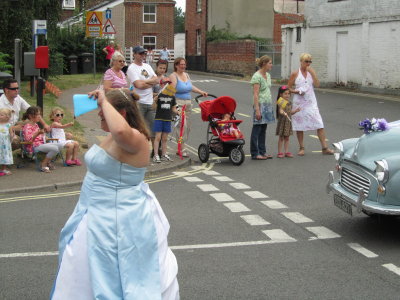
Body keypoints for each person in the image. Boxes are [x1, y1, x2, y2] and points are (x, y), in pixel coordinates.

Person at [50, 88, 179, 299]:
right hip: (94, 212)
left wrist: (104, 99)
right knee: (84, 272)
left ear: (122, 114)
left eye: (103, 110)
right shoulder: (112, 135)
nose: (99, 113)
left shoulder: (135, 138)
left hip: (117, 219)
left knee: (112, 275)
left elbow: (121, 132)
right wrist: (104, 98)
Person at [287, 53, 334, 156]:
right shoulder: (295, 73)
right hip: (299, 102)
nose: (308, 64)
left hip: (311, 102)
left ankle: (324, 148)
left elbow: (317, 84)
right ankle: (301, 147)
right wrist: (296, 91)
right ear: (301, 62)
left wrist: (313, 74)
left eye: (310, 62)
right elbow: (288, 88)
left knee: (319, 124)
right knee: (300, 126)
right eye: (306, 61)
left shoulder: (311, 72)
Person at [126, 45, 161, 156]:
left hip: (150, 102)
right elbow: (138, 85)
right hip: (138, 102)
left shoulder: (147, 66)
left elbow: (157, 80)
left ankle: (155, 151)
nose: (142, 56)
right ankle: (135, 151)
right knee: (138, 128)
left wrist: (146, 83)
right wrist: (150, 82)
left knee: (153, 128)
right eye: (140, 53)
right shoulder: (132, 68)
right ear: (134, 54)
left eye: (144, 53)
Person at [170, 57, 207, 157]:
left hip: (188, 104)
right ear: (176, 65)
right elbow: (171, 91)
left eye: (184, 64)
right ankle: (182, 148)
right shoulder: (173, 76)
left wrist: (201, 92)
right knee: (182, 125)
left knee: (188, 128)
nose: (183, 66)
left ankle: (180, 146)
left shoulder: (186, 75)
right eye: (181, 64)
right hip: (178, 103)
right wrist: (174, 106)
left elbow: (190, 87)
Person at [0, 78, 50, 149]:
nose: (17, 90)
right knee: (16, 142)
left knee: (31, 122)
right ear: (6, 90)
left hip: (15, 125)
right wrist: (12, 129)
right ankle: (26, 147)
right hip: (4, 129)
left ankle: (37, 141)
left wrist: (44, 124)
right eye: (14, 89)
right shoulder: (1, 103)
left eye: (17, 88)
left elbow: (33, 111)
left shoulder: (18, 98)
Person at [22, 107, 63, 173]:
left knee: (60, 145)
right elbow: (28, 141)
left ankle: (47, 161)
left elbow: (40, 136)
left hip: (41, 144)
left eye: (39, 114)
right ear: (30, 116)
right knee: (55, 148)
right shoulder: (27, 126)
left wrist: (43, 136)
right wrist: (38, 133)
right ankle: (44, 164)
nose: (39, 116)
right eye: (38, 114)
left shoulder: (35, 125)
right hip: (33, 146)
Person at [250, 55, 275, 160]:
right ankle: (255, 153)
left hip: (267, 105)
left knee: (263, 129)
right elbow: (255, 94)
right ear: (264, 64)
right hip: (260, 105)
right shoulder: (257, 76)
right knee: (257, 129)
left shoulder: (268, 75)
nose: (271, 65)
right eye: (270, 63)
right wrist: (257, 110)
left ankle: (262, 151)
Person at [152, 60, 178, 163]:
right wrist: (154, 100)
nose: (167, 86)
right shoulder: (159, 95)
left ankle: (164, 154)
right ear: (162, 85)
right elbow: (154, 107)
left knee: (165, 138)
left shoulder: (172, 96)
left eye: (168, 84)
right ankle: (155, 155)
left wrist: (178, 113)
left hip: (167, 119)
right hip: (159, 118)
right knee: (157, 137)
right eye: (165, 84)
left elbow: (174, 108)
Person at [275, 86, 301, 158]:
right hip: (282, 122)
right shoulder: (281, 101)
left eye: (288, 94)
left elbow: (290, 112)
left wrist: (295, 111)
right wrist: (283, 113)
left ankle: (286, 152)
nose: (287, 95)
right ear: (281, 94)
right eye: (285, 94)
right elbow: (280, 110)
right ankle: (280, 152)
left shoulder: (289, 102)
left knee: (287, 137)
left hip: (288, 122)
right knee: (281, 137)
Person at [0, 108, 15, 176]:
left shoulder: (9, 125)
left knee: (4, 155)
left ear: (7, 117)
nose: (0, 116)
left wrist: (12, 135)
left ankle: (3, 168)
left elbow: (11, 133)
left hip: (5, 144)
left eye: (1, 115)